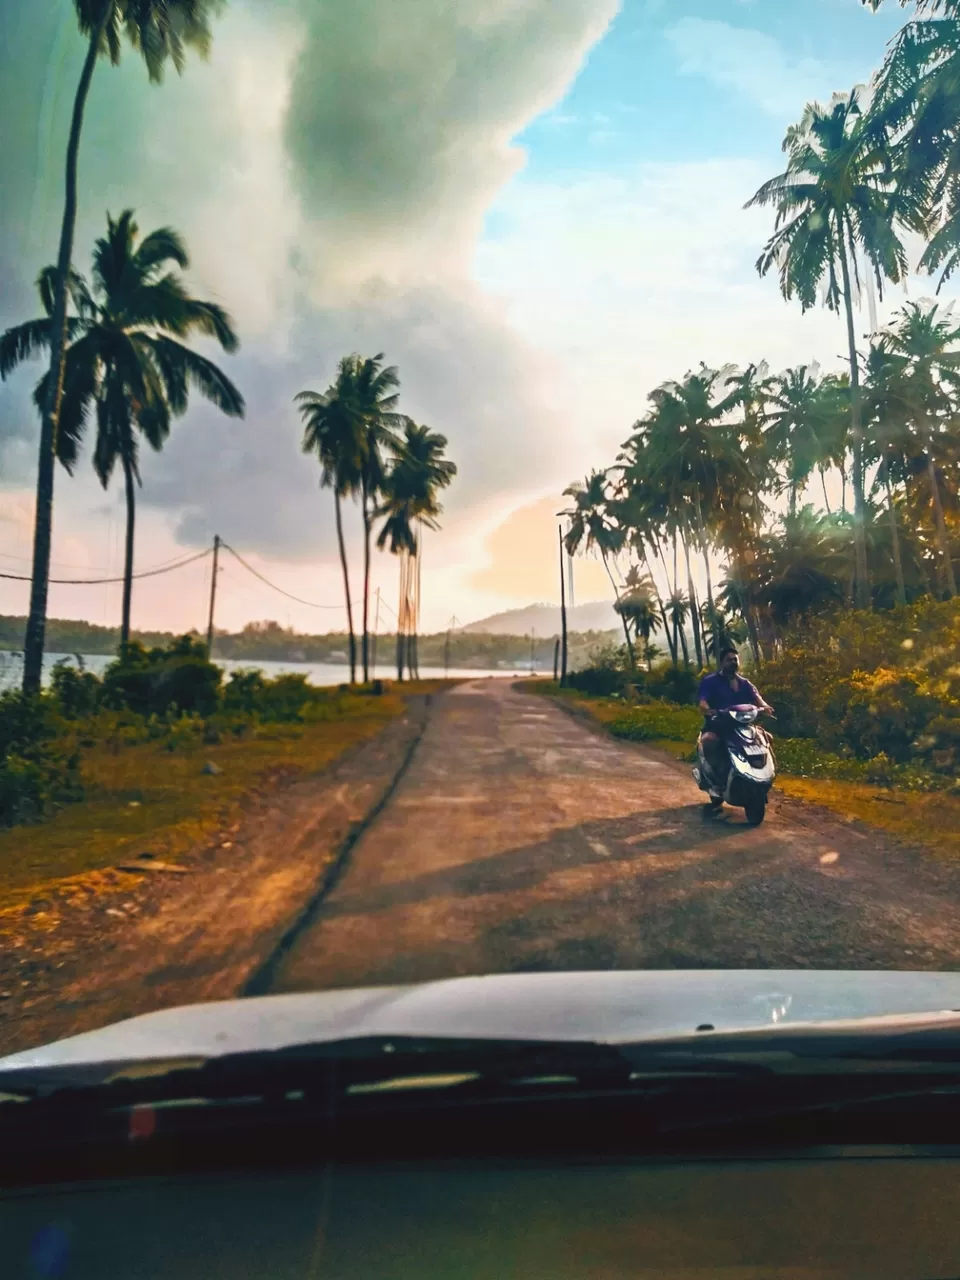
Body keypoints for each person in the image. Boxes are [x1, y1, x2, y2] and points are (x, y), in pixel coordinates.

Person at [697, 646, 774, 786]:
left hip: (743, 725)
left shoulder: (745, 683)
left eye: (735, 659)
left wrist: (765, 707)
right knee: (709, 740)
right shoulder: (710, 681)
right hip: (718, 724)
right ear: (722, 663)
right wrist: (708, 710)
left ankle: (765, 774)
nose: (733, 662)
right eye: (729, 660)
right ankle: (714, 775)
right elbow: (703, 702)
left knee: (768, 738)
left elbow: (758, 698)